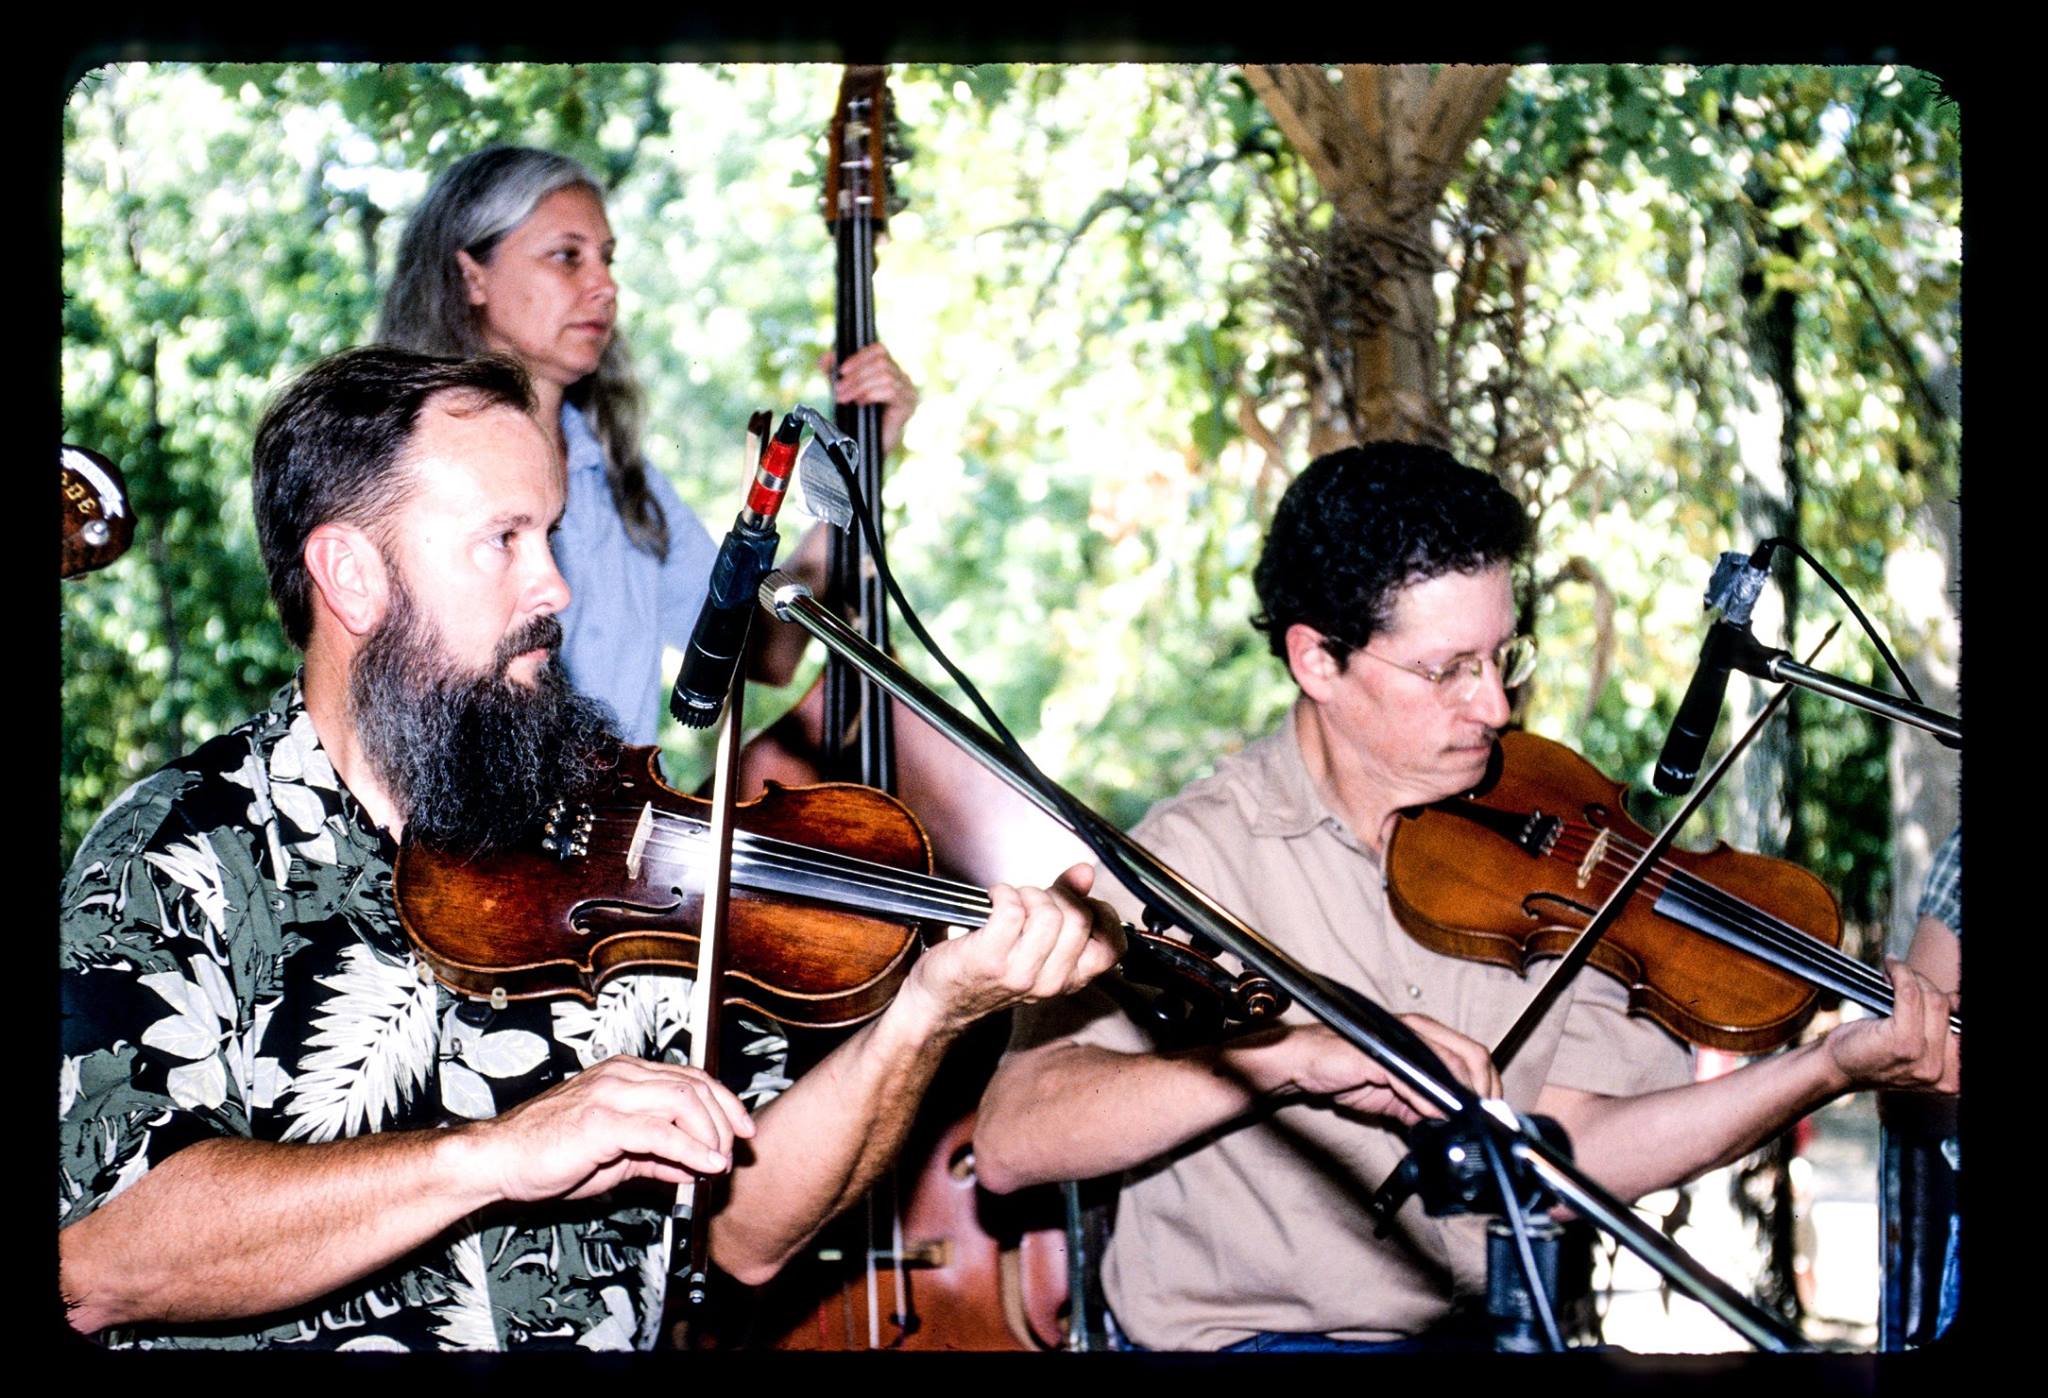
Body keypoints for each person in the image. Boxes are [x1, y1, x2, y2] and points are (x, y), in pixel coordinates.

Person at [56, 347, 1123, 1350]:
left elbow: (747, 1230)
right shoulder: (180, 854)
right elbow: (105, 1253)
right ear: (352, 574)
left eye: (551, 536)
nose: (554, 588)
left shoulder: (608, 844)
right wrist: (489, 1160)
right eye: (503, 540)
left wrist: (925, 1015)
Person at [974, 441, 1961, 1352]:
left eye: (1502, 659)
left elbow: (1580, 1157)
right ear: (1316, 659)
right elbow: (1015, 1140)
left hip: (1494, 1330)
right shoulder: (1189, 859)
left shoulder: (1552, 825)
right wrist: (1290, 1059)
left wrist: (1829, 1066)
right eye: (1447, 670)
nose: (1492, 707)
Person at [375, 145, 919, 746]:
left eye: (607, 261)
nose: (605, 286)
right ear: (472, 276)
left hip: (614, 834)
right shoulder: (406, 466)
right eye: (567, 258)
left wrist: (857, 468)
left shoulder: (620, 480)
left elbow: (759, 652)